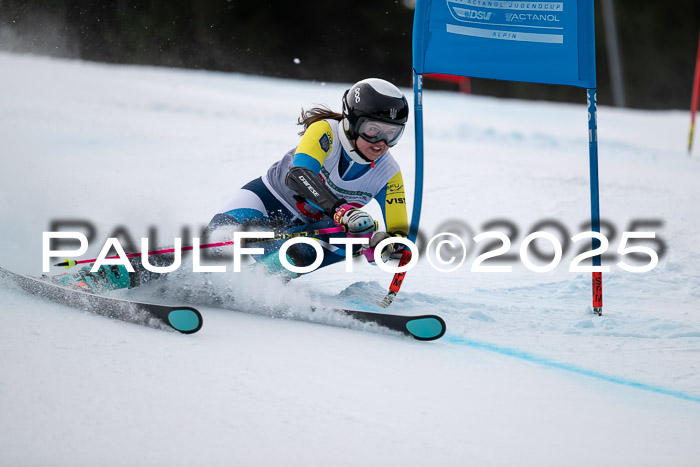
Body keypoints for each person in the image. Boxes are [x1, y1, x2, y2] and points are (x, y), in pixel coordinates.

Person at [52, 78, 410, 292]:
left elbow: (398, 232)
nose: (379, 141)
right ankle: (102, 274)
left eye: (391, 134)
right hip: (267, 200)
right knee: (214, 251)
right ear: (351, 121)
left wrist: (387, 245)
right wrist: (341, 209)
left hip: (310, 230)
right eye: (372, 129)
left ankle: (246, 290)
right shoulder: (326, 133)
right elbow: (298, 176)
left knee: (336, 242)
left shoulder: (388, 173)